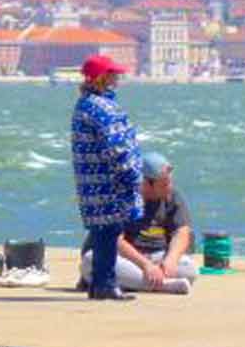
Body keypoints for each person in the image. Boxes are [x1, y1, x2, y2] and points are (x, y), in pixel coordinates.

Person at [69, 53, 143, 301]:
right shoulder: (102, 107)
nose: (117, 78)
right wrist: (133, 177)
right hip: (108, 182)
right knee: (108, 231)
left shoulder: (85, 104)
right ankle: (105, 284)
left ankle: (100, 283)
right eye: (113, 74)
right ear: (102, 78)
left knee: (103, 231)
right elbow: (117, 147)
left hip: (92, 182)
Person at [81, 151, 199, 293]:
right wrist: (145, 266)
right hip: (127, 258)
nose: (169, 187)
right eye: (164, 184)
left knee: (190, 268)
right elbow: (115, 240)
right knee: (90, 261)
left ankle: (138, 282)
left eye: (169, 182)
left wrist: (171, 261)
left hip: (157, 257)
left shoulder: (172, 196)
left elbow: (182, 232)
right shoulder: (123, 198)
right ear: (146, 184)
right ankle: (161, 285)